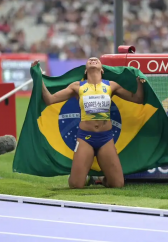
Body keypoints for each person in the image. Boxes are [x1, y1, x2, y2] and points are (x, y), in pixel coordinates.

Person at [31, 57, 146, 188]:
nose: (93, 59)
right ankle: (85, 176)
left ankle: (100, 179)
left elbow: (137, 99)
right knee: (75, 185)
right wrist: (38, 77)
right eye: (90, 60)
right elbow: (50, 100)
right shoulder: (77, 87)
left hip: (105, 138)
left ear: (102, 69)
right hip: (85, 138)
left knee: (118, 184)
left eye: (96, 59)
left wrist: (140, 81)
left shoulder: (111, 85)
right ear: (85, 71)